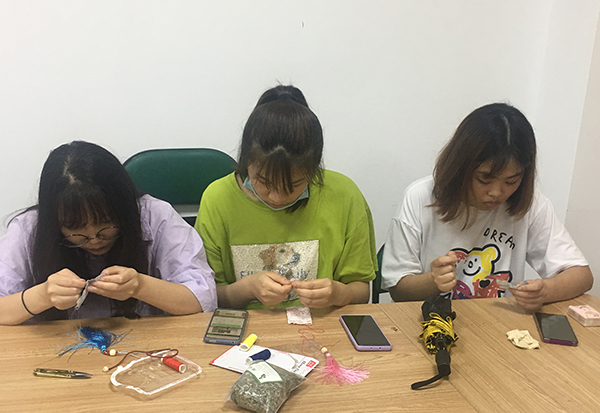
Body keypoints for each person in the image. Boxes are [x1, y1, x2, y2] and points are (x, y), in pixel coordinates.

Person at [381, 103, 593, 310]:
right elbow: (398, 289)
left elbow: (582, 275)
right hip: (432, 321)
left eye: (511, 181)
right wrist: (432, 281)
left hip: (499, 322)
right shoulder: (421, 197)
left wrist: (546, 290)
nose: (496, 192)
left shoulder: (530, 204)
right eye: (484, 179)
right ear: (460, 167)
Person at [195, 85, 376, 310]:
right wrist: (247, 288)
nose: (277, 197)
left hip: (322, 325)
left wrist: (338, 293)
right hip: (245, 328)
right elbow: (207, 297)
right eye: (264, 181)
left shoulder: (344, 195)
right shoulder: (218, 199)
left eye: (294, 185)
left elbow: (361, 290)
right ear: (247, 161)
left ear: (314, 170)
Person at [0, 141, 217, 325]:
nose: (94, 238)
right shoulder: (29, 228)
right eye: (75, 228)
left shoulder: (155, 216)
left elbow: (203, 300)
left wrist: (140, 286)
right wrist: (42, 296)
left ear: (124, 207)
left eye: (105, 223)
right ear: (54, 220)